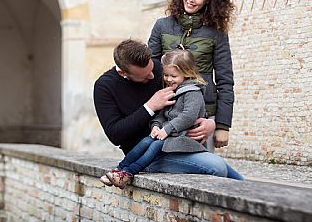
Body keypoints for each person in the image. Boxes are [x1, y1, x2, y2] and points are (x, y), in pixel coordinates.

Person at [93, 39, 243, 189]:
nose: (153, 76)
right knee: (217, 167)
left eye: (152, 69)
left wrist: (209, 123)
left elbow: (188, 100)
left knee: (220, 166)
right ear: (123, 72)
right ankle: (124, 171)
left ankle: (249, 192)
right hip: (147, 155)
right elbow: (115, 135)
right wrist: (149, 107)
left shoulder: (163, 70)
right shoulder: (105, 87)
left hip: (176, 143)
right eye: (144, 76)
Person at [148, 0, 236, 150]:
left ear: (208, 0)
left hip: (203, 116)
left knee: (204, 171)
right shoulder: (162, 26)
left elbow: (225, 81)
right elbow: (150, 71)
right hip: (167, 112)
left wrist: (222, 125)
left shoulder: (216, 33)